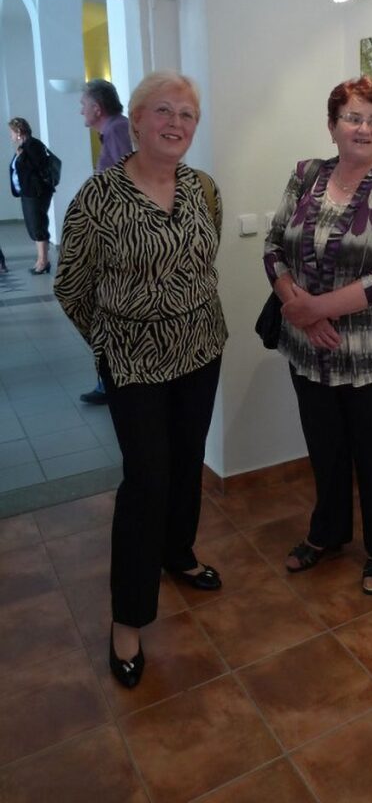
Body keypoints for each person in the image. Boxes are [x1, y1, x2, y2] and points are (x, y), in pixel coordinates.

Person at [54, 70, 227, 689]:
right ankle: (127, 619)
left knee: (187, 462)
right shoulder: (98, 198)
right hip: (134, 364)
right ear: (137, 118)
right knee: (146, 481)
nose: (175, 123)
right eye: (163, 110)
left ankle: (178, 554)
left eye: (187, 114)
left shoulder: (203, 189)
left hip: (201, 349)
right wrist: (109, 343)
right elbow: (71, 286)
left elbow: (204, 262)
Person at [263, 76, 372, 596]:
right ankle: (327, 533)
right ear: (332, 125)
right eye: (354, 118)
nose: (364, 128)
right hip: (309, 349)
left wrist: (315, 308)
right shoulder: (305, 176)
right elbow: (273, 246)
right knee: (325, 447)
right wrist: (304, 314)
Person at [79, 79, 133, 405]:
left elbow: (128, 183)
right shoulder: (113, 130)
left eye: (83, 104)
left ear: (97, 108)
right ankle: (108, 381)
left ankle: (113, 382)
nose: (80, 111)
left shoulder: (117, 131)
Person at [8, 117, 54, 274]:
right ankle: (41, 260)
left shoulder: (33, 145)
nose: (11, 136)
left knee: (37, 225)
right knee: (34, 226)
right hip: (28, 192)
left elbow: (38, 166)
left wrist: (21, 157)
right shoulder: (25, 146)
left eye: (12, 132)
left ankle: (43, 261)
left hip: (36, 192)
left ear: (19, 132)